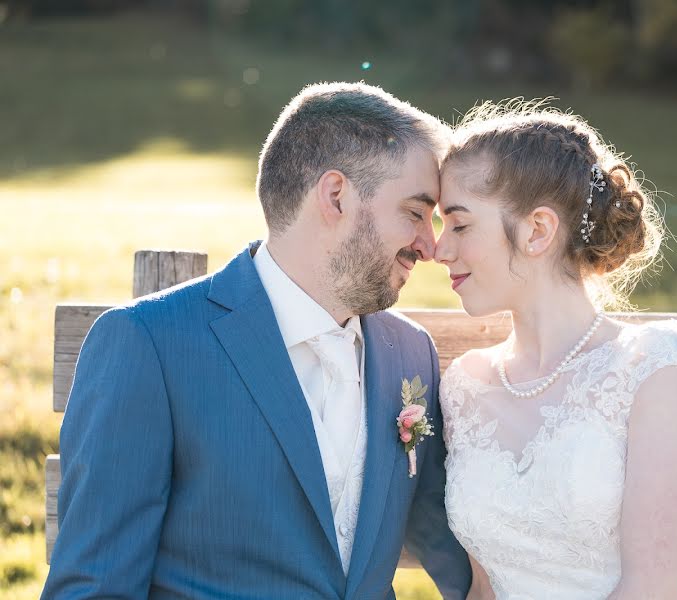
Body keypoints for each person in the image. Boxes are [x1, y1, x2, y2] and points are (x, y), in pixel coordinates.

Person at [42, 82, 471, 600]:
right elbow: (95, 587)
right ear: (336, 196)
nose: (429, 244)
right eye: (415, 213)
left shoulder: (410, 353)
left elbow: (450, 547)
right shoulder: (149, 346)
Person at [433, 100, 677, 600]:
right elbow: (484, 587)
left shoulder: (653, 367)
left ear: (537, 230)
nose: (438, 248)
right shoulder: (464, 385)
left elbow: (650, 589)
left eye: (460, 224)